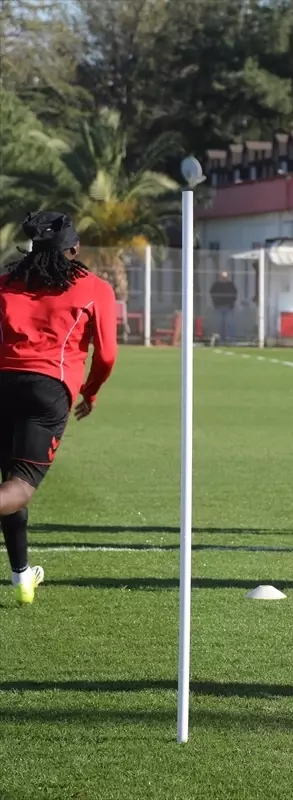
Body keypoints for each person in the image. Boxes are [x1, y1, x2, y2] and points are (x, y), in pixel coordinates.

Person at [0, 212, 118, 605]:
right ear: (74, 248)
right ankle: (20, 576)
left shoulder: (6, 282)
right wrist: (91, 391)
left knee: (9, 482)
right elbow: (107, 355)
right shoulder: (94, 288)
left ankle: (21, 578)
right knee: (19, 487)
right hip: (47, 389)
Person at [210, 271, 238, 343]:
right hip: (219, 307)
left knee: (230, 324)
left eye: (225, 277)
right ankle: (222, 339)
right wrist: (216, 303)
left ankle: (231, 339)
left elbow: (234, 294)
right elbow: (212, 293)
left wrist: (232, 303)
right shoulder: (216, 285)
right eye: (223, 277)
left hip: (228, 307)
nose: (224, 279)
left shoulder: (230, 285)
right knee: (220, 324)